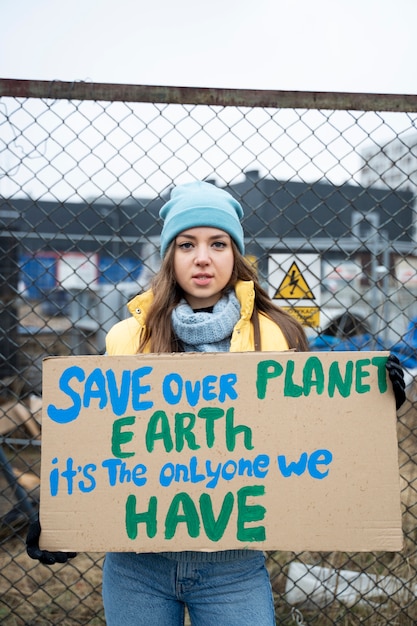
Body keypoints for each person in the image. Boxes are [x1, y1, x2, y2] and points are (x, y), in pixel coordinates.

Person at [26, 181, 406, 625]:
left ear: (236, 255)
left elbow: (306, 428)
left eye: (217, 243)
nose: (202, 257)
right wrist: (61, 511)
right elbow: (102, 438)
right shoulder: (128, 337)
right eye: (187, 244)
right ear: (170, 255)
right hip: (137, 564)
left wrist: (370, 403)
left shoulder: (276, 334)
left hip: (234, 565)